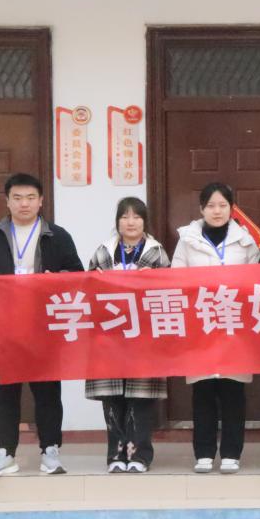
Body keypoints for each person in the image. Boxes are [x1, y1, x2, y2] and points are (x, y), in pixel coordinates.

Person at [0, 172, 83, 477]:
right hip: (3, 328)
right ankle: (5, 453)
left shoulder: (57, 236)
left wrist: (56, 281)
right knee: (4, 392)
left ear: (41, 201)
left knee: (47, 391)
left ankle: (50, 450)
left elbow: (77, 274)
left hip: (45, 327)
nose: (24, 204)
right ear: (7, 201)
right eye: (17, 198)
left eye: (30, 198)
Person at [171, 182, 260, 474]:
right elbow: (176, 280)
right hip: (202, 323)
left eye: (223, 205)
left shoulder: (246, 241)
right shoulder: (187, 240)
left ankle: (232, 453)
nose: (217, 211)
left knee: (233, 392)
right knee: (203, 392)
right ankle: (204, 453)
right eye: (211, 206)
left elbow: (256, 282)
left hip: (235, 324)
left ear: (232, 209)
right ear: (201, 209)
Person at [84, 197, 170, 473]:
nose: (130, 222)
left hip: (144, 337)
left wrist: (153, 280)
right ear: (117, 221)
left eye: (136, 217)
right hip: (109, 336)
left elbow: (171, 293)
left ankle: (139, 455)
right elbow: (87, 290)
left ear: (145, 221)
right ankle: (116, 455)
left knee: (140, 399)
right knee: (113, 399)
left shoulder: (157, 253)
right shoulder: (103, 252)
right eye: (124, 217)